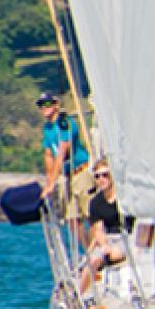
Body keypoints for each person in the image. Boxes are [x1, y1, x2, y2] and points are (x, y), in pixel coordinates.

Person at [37, 92, 92, 226]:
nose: (44, 107)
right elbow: (49, 155)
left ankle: (98, 244)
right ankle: (88, 246)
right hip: (67, 175)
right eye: (41, 105)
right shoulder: (47, 128)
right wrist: (49, 182)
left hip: (80, 172)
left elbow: (62, 152)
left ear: (56, 105)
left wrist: (52, 185)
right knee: (71, 219)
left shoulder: (64, 122)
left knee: (90, 214)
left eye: (47, 104)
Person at [78, 159, 128, 295]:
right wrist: (104, 245)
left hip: (127, 236)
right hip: (109, 238)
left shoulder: (125, 198)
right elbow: (97, 229)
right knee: (93, 259)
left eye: (105, 175)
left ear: (112, 176)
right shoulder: (95, 203)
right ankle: (80, 295)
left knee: (117, 253)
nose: (101, 179)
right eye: (97, 176)